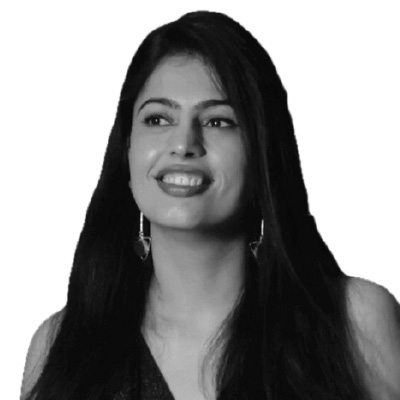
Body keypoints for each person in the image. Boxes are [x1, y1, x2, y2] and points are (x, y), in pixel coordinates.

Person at [20, 10, 400, 400]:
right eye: (158, 119)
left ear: (262, 153)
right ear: (127, 151)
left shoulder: (353, 323)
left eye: (218, 121)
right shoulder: (58, 347)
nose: (184, 143)